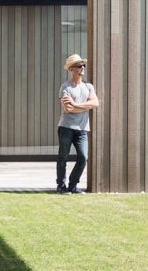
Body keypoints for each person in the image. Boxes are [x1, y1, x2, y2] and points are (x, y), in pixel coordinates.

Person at [56, 53, 99, 194]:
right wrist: (84, 105)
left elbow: (95, 103)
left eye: (83, 65)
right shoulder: (66, 87)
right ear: (71, 69)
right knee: (63, 157)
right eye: (79, 66)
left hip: (82, 129)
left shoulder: (89, 87)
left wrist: (75, 104)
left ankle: (73, 185)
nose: (82, 68)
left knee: (83, 157)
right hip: (66, 127)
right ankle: (61, 186)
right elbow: (68, 109)